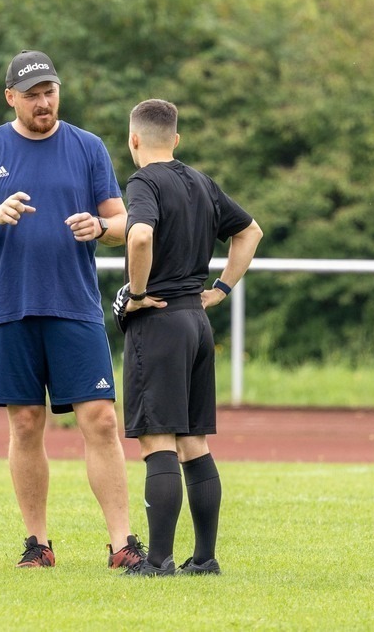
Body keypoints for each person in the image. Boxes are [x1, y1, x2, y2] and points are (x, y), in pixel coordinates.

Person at [0, 50, 145, 570]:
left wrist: (101, 229)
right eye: (32, 94)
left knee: (101, 421)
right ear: (11, 96)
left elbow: (126, 224)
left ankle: (122, 543)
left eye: (49, 91)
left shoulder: (88, 147)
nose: (43, 102)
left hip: (75, 307)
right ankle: (38, 544)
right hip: (10, 308)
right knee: (26, 423)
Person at [114, 99, 263, 576]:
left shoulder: (143, 182)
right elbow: (250, 231)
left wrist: (136, 294)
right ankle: (205, 558)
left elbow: (138, 237)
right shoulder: (201, 181)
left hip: (158, 322)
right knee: (194, 443)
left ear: (134, 139)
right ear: (175, 139)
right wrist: (221, 289)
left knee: (157, 441)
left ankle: (157, 561)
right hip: (197, 323)